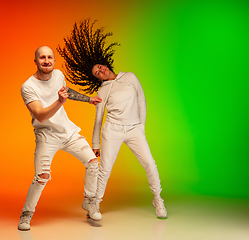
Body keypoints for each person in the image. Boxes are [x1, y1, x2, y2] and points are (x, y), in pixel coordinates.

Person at [57, 19, 167, 219]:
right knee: (105, 169)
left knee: (150, 164)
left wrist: (141, 127)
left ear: (105, 64)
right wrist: (95, 143)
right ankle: (94, 204)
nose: (100, 71)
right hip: (112, 130)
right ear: (97, 79)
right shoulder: (103, 89)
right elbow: (99, 119)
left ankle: (158, 199)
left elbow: (142, 102)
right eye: (97, 73)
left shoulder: (131, 77)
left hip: (134, 129)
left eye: (99, 67)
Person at [18, 46, 102, 231]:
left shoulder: (58, 75)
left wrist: (88, 99)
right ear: (36, 61)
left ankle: (89, 202)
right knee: (42, 177)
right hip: (46, 136)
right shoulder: (28, 87)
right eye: (42, 58)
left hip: (68, 132)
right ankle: (26, 214)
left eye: (49, 57)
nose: (46, 60)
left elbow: (65, 91)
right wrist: (59, 102)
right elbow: (40, 115)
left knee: (92, 162)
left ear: (54, 61)